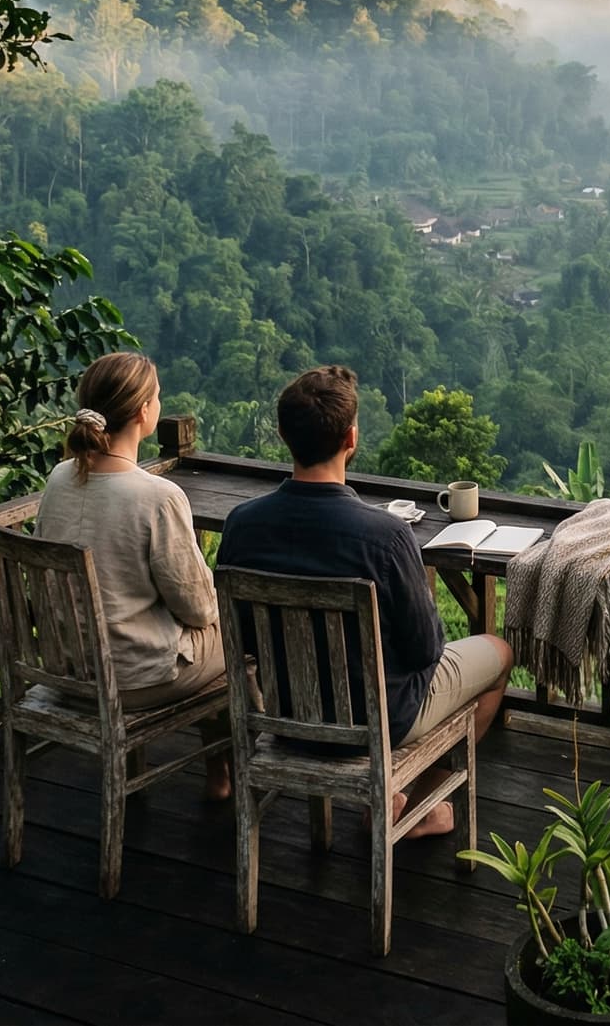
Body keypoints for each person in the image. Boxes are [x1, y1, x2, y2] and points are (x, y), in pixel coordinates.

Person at [217, 365, 513, 838]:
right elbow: (424, 652)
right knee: (499, 655)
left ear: (282, 435)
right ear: (351, 438)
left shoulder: (242, 524)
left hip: (284, 711)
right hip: (382, 719)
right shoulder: (385, 536)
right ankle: (416, 805)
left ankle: (400, 798)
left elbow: (242, 638)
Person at [34, 351, 231, 800]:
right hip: (133, 677)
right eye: (157, 395)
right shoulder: (156, 496)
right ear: (144, 412)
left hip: (68, 663)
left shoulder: (60, 478)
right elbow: (198, 609)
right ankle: (226, 771)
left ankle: (222, 772)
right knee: (237, 630)